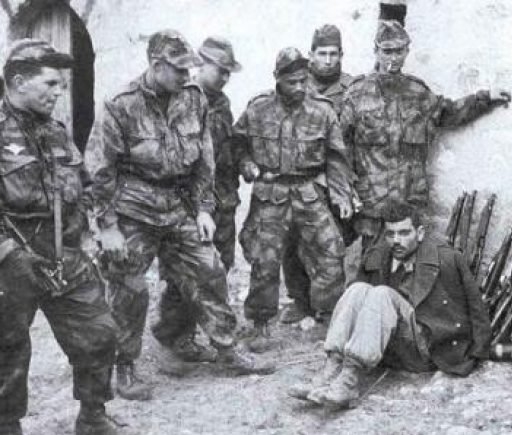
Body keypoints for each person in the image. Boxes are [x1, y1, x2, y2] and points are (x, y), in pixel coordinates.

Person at [85, 29, 274, 402]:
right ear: (156, 65)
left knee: (209, 269)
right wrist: (107, 227)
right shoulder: (120, 104)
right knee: (129, 288)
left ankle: (227, 347)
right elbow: (100, 170)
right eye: (179, 69)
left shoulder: (193, 99)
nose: (187, 76)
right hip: (133, 208)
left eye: (190, 69)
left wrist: (203, 209)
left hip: (177, 205)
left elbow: (204, 162)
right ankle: (124, 365)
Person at [0, 39, 118, 435]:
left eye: (61, 85)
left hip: (64, 254)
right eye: (50, 83)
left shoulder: (56, 131)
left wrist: (97, 230)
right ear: (19, 81)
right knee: (7, 349)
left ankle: (92, 416)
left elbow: (85, 185)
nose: (59, 92)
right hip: (11, 261)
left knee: (99, 331)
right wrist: (9, 253)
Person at [288, 200, 490, 408]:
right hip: (390, 348)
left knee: (382, 293)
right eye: (390, 234)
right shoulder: (378, 255)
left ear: (420, 233)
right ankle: (329, 372)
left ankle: (348, 382)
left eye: (404, 233)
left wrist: (476, 354)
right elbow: (357, 306)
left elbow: (476, 306)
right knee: (357, 289)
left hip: (426, 346)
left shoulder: (446, 258)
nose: (396, 241)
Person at [340, 20, 511, 253]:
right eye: (387, 51)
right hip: (374, 205)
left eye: (399, 51)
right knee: (373, 264)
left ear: (407, 52)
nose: (393, 58)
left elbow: (449, 113)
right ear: (376, 51)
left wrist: (486, 97)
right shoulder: (356, 94)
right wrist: (347, 191)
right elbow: (341, 148)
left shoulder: (418, 92)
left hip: (410, 202)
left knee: (411, 266)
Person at [231, 47, 354, 351]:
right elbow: (236, 144)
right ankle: (260, 324)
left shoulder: (322, 111)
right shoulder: (258, 108)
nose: (299, 87)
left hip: (309, 193)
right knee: (264, 259)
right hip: (270, 194)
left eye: (303, 80)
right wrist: (247, 165)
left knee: (331, 251)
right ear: (277, 78)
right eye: (291, 82)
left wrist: (341, 194)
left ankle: (326, 318)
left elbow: (336, 157)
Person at [151, 36, 242, 364]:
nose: (225, 77)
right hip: (189, 204)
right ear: (201, 65)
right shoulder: (182, 100)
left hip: (222, 199)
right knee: (184, 274)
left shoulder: (222, 103)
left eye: (229, 72)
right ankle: (177, 336)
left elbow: (225, 154)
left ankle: (203, 334)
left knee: (219, 267)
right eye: (221, 70)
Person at [280, 24, 357, 325]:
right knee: (292, 242)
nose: (327, 60)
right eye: (322, 53)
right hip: (302, 177)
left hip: (336, 178)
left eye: (333, 54)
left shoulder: (352, 88)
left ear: (341, 55)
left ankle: (326, 305)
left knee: (331, 242)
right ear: (311, 54)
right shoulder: (296, 84)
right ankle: (300, 301)